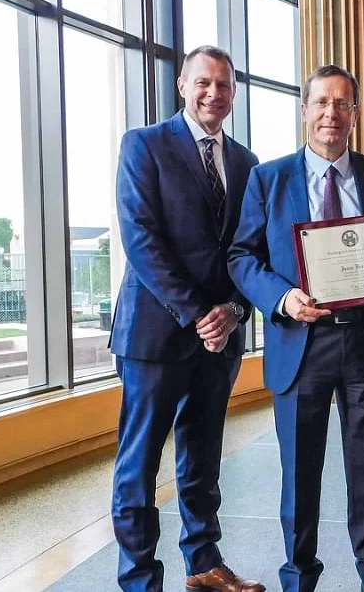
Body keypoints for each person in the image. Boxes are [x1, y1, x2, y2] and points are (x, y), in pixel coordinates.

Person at [228, 65, 364, 592]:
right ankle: (298, 579)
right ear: (305, 111)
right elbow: (241, 257)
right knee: (300, 477)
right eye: (322, 103)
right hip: (300, 344)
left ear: (356, 113)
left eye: (343, 104)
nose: (332, 113)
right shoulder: (269, 178)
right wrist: (281, 298)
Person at [109, 46, 264, 592]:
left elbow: (252, 253)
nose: (212, 94)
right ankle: (139, 580)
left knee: (202, 460)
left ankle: (203, 564)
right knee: (140, 467)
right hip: (154, 336)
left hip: (218, 340)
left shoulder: (248, 164)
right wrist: (201, 312)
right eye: (203, 82)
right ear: (182, 85)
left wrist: (235, 310)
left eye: (223, 85)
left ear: (234, 93)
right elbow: (142, 241)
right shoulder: (144, 146)